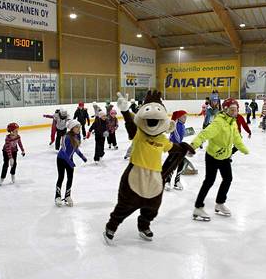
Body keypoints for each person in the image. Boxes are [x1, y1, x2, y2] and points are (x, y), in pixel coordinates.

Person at [103, 91, 194, 244]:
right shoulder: (139, 133)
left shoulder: (162, 139)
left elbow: (173, 148)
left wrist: (185, 149)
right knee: (125, 205)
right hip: (135, 175)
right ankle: (111, 227)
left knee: (153, 207)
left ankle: (144, 225)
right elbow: (131, 126)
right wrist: (125, 111)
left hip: (154, 179)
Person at [190, 98, 249, 221]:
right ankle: (198, 207)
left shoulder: (232, 122)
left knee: (228, 179)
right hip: (213, 156)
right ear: (226, 110)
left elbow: (236, 138)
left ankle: (220, 203)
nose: (235, 112)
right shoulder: (219, 122)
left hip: (225, 156)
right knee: (209, 181)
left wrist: (243, 149)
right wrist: (193, 145)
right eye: (232, 110)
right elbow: (204, 134)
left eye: (236, 110)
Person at [55, 120, 87, 207]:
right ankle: (57, 197)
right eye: (76, 127)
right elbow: (63, 151)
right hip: (61, 159)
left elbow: (75, 148)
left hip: (69, 159)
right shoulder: (66, 137)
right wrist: (70, 162)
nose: (78, 128)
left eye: (79, 127)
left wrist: (82, 156)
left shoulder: (77, 136)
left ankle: (67, 196)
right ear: (72, 128)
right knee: (61, 177)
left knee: (70, 178)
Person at [165, 110, 188, 192]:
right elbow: (176, 137)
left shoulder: (182, 125)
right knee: (172, 165)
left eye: (186, 116)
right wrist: (180, 146)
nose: (186, 118)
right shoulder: (175, 124)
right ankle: (167, 181)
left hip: (178, 147)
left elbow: (180, 135)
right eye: (184, 116)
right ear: (179, 117)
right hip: (173, 147)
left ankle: (177, 181)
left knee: (181, 163)